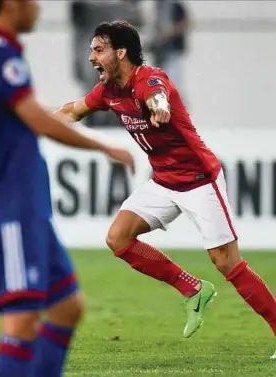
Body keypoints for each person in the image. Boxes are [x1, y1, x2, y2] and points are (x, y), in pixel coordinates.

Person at [55, 20, 276, 359]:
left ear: (121, 53)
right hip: (163, 181)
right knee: (118, 238)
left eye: (98, 50)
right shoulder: (108, 91)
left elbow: (158, 96)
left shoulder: (150, 79)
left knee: (227, 262)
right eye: (91, 51)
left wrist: (160, 107)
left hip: (200, 180)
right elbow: (74, 110)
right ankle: (192, 288)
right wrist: (36, 120)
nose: (91, 58)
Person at [0, 1, 135, 376]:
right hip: (9, 208)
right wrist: (104, 146)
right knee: (21, 322)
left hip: (24, 207)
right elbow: (37, 118)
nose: (37, 7)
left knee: (68, 307)